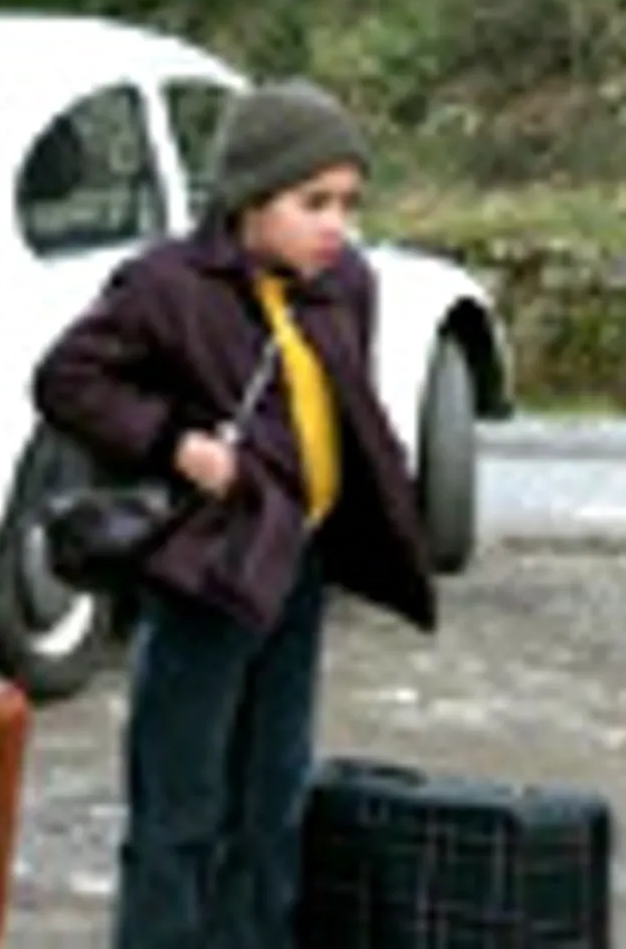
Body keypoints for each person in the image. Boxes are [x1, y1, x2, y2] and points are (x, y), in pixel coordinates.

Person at [31, 80, 438, 949]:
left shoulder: (345, 284)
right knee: (181, 805)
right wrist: (173, 442)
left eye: (349, 204)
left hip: (298, 564)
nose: (336, 225)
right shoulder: (167, 286)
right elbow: (68, 378)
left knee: (272, 795)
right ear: (251, 198)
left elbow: (347, 405)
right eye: (313, 203)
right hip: (208, 573)